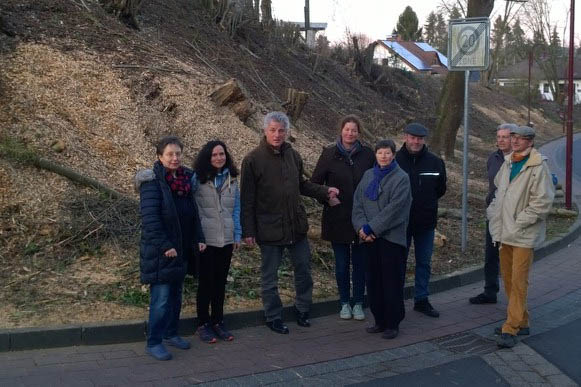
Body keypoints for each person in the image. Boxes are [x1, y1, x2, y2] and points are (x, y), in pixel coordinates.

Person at [241, 111, 339, 334]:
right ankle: (273, 316)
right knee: (270, 276)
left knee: (303, 270)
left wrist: (325, 192)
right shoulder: (252, 160)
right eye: (273, 130)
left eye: (281, 130)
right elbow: (246, 199)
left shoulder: (293, 155)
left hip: (296, 226)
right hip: (269, 228)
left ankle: (302, 309)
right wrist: (248, 230)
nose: (277, 135)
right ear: (265, 131)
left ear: (287, 132)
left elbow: (302, 185)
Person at [136, 136, 206, 361]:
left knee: (176, 295)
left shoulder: (186, 181)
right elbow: (150, 220)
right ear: (160, 156)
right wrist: (166, 246)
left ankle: (171, 333)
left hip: (183, 249)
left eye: (178, 154)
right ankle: (154, 341)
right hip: (162, 251)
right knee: (161, 298)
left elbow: (192, 214)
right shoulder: (152, 182)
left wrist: (199, 238)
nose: (175, 158)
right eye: (169, 154)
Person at [487, 125, 555, 348]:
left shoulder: (538, 166)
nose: (515, 141)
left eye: (521, 138)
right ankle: (522, 320)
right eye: (513, 137)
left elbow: (542, 202)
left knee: (518, 281)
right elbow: (499, 191)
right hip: (504, 232)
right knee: (507, 278)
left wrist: (520, 222)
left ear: (530, 142)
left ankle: (511, 326)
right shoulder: (508, 163)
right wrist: (493, 213)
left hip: (523, 234)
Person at [311, 115, 375, 321]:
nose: (350, 133)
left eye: (354, 130)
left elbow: (376, 180)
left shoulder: (367, 154)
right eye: (347, 129)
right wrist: (327, 195)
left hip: (362, 219)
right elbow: (314, 184)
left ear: (359, 133)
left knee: (360, 264)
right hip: (337, 217)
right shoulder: (329, 154)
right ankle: (344, 303)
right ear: (341, 131)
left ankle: (358, 303)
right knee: (341, 265)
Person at [352, 140, 411, 339]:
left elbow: (395, 210)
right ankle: (379, 320)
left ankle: (393, 323)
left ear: (393, 155)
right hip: (368, 239)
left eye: (387, 153)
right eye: (380, 153)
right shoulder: (368, 175)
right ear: (375, 155)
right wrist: (361, 228)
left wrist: (372, 227)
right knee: (374, 281)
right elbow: (358, 203)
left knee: (391, 282)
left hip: (390, 239)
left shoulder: (401, 178)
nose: (383, 156)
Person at [192, 140, 241, 344]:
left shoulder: (232, 179)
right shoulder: (198, 179)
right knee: (206, 283)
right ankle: (203, 323)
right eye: (214, 155)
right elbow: (192, 209)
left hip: (226, 239)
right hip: (207, 240)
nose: (219, 158)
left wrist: (237, 234)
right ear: (207, 157)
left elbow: (236, 208)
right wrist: (197, 237)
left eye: (221, 154)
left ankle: (218, 321)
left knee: (220, 283)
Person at [395, 123, 446, 318]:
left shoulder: (435, 162)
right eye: (412, 137)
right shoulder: (395, 160)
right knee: (399, 262)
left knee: (423, 262)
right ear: (406, 137)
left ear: (424, 140)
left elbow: (440, 189)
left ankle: (421, 300)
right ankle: (396, 299)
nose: (416, 142)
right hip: (400, 223)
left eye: (420, 138)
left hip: (426, 223)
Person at [469, 123, 517, 305]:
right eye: (498, 137)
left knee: (511, 257)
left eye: (504, 137)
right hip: (494, 214)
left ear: (513, 138)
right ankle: (490, 292)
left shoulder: (519, 160)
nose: (501, 141)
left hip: (512, 216)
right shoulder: (493, 158)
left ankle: (515, 298)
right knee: (491, 255)